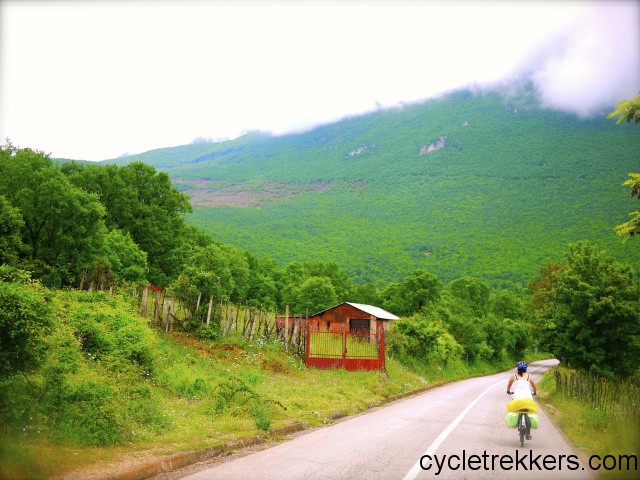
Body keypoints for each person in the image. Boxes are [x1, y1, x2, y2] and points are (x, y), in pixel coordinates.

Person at [507, 361, 537, 440]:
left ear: (517, 368)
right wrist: (534, 392)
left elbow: (509, 386)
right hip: (527, 397)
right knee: (527, 413)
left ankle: (518, 422)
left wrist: (508, 391)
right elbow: (534, 386)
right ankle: (528, 434)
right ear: (526, 369)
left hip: (517, 396)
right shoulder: (529, 376)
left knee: (517, 411)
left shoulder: (514, 376)